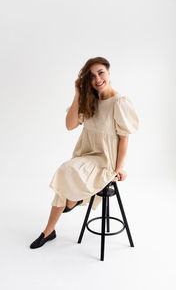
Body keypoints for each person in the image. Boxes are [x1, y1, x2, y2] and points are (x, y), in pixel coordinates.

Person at [30, 56, 139, 249]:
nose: (97, 79)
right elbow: (70, 125)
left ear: (109, 72)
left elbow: (124, 138)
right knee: (66, 173)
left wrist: (119, 167)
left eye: (100, 72)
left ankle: (71, 202)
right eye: (91, 76)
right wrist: (78, 94)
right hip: (85, 156)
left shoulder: (119, 102)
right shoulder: (90, 100)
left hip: (105, 162)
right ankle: (49, 230)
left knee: (65, 172)